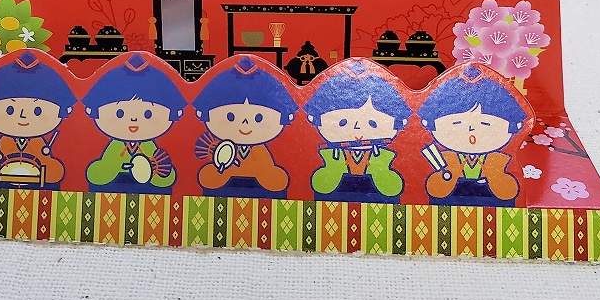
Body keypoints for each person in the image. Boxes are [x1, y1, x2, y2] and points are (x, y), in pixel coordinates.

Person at [418, 63, 530, 206]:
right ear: (430, 123)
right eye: (457, 123)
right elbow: (434, 190)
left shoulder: (498, 159)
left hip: (492, 203)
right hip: (448, 202)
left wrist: (495, 176)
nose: (471, 129)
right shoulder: (446, 159)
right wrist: (446, 176)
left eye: (486, 124)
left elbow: (509, 192)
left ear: (514, 126)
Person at [304, 60, 411, 202]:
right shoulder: (330, 154)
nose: (357, 129)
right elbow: (320, 185)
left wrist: (380, 171)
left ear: (399, 124)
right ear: (315, 119)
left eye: (373, 124)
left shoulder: (384, 156)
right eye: (342, 122)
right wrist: (334, 168)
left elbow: (393, 188)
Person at [193, 56, 297, 198]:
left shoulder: (259, 150)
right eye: (230, 117)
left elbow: (268, 172)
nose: (245, 124)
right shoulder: (226, 147)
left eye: (258, 118)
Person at [0, 51, 76, 189]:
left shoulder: (39, 143)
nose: (23, 116)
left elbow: (52, 168)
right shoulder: (3, 142)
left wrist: (49, 167)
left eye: (37, 111)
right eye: (10, 110)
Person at [83, 54, 185, 194]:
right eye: (120, 113)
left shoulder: (148, 146)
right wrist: (114, 166)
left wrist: (154, 170)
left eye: (148, 114)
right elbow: (95, 176)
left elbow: (167, 179)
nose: (133, 120)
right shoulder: (116, 146)